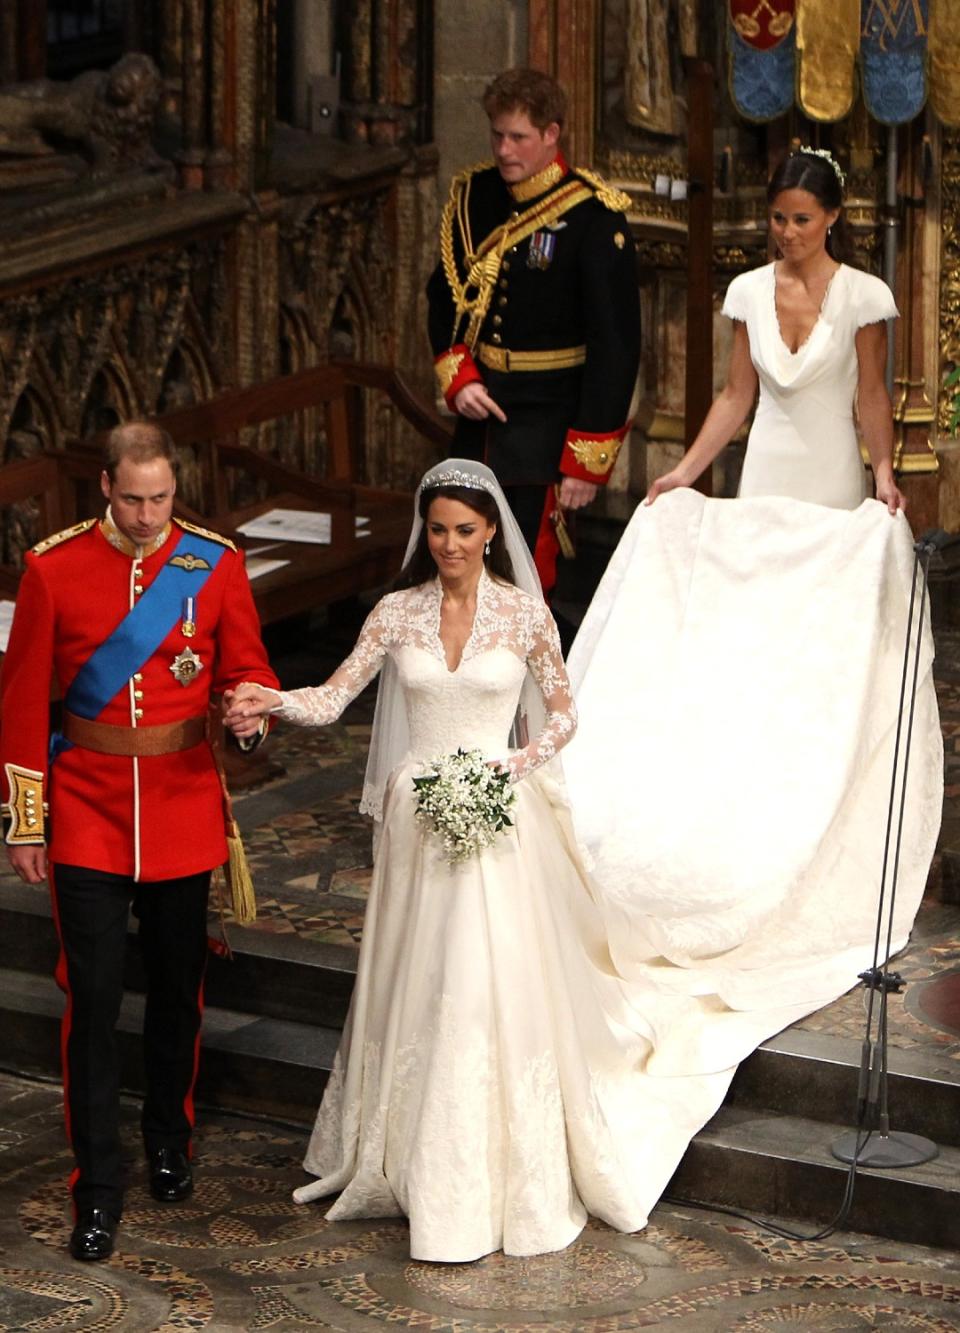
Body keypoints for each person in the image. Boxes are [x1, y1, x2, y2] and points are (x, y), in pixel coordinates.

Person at [224, 459, 660, 1261]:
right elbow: (332, 696)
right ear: (424, 533)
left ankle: (492, 1175)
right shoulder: (395, 613)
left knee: (481, 985)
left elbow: (564, 714)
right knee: (423, 986)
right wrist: (274, 699)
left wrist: (513, 764)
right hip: (416, 827)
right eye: (438, 530)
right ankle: (406, 1156)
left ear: (492, 530)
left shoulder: (526, 617)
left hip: (498, 818)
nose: (451, 544)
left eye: (465, 530)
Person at [0, 422, 279, 1262]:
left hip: (183, 806)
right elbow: (19, 705)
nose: (151, 514)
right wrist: (25, 821)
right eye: (134, 499)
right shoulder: (54, 568)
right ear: (106, 491)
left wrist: (250, 721)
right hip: (85, 811)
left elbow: (247, 673)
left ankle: (169, 1139)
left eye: (162, 498)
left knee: (175, 992)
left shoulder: (213, 562)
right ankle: (98, 1186)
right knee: (90, 1005)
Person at [426, 68, 641, 594]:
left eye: (518, 137)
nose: (503, 149)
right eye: (497, 135)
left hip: (550, 421)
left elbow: (617, 345)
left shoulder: (594, 217)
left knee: (526, 577)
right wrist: (460, 376)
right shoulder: (476, 195)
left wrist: (586, 461)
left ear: (551, 134)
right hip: (482, 420)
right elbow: (444, 293)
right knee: (463, 566)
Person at [646, 147, 906, 513]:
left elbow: (873, 395)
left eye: (802, 219)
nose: (788, 232)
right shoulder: (748, 291)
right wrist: (683, 473)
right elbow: (736, 396)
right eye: (779, 218)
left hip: (831, 475)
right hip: (763, 474)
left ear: (832, 215)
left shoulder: (865, 296)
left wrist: (883, 475)